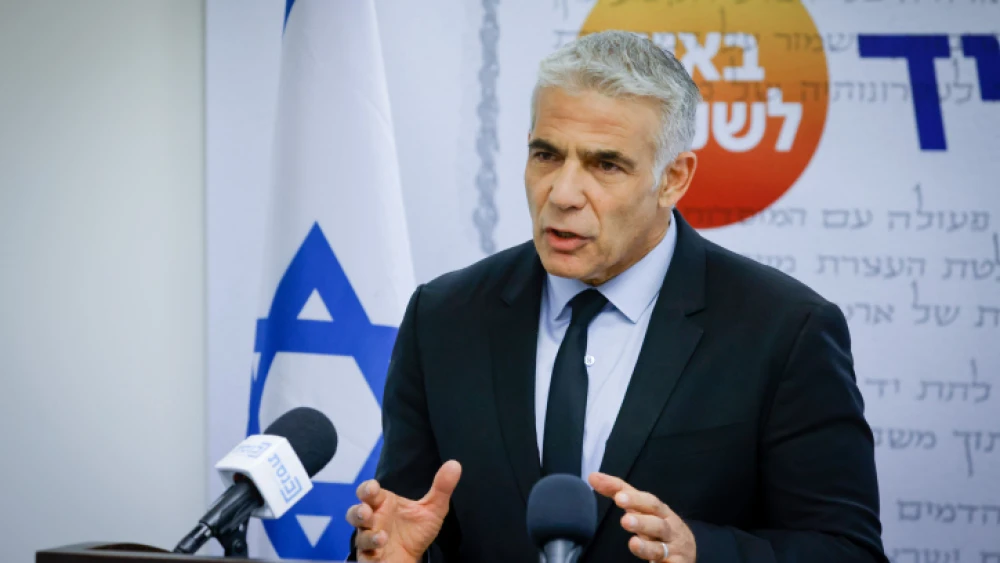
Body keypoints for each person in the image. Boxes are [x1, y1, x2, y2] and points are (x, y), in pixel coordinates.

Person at [346, 30, 887, 563]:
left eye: (605, 164)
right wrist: (396, 556)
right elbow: (411, 524)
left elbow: (846, 549)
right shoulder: (443, 317)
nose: (561, 194)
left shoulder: (785, 330)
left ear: (673, 178)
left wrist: (702, 552)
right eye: (546, 155)